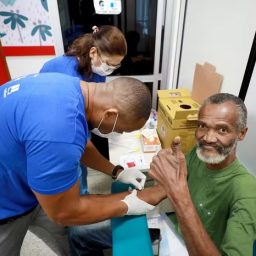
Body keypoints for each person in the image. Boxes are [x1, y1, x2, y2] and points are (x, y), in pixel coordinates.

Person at [0, 73, 166, 256]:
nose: (119, 133)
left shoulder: (71, 88)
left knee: (68, 233)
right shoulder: (59, 130)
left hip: (26, 183)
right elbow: (64, 211)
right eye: (122, 129)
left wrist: (116, 171)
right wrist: (126, 204)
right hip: (6, 206)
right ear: (111, 114)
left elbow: (80, 144)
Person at [149, 93, 256, 255]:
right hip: (174, 233)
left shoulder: (246, 191)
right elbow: (169, 185)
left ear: (241, 133)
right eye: (202, 126)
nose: (208, 138)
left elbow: (178, 191)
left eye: (222, 129)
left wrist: (179, 195)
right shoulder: (200, 154)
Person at [40, 25, 127, 195]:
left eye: (115, 67)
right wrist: (116, 170)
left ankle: (83, 194)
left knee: (81, 170)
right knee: (69, 172)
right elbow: (72, 129)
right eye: (109, 64)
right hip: (53, 128)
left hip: (71, 121)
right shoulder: (67, 75)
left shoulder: (97, 68)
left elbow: (95, 101)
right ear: (93, 52)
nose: (109, 69)